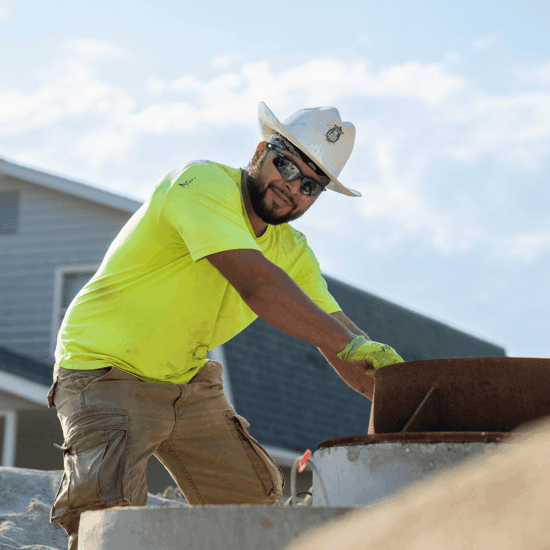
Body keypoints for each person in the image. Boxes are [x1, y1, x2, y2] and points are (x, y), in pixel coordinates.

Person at [47, 102, 404, 549]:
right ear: (260, 153)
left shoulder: (291, 249)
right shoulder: (200, 184)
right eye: (287, 166)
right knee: (108, 525)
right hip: (105, 371)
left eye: (311, 185)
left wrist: (399, 394)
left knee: (254, 512)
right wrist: (349, 344)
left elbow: (338, 337)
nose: (293, 188)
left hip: (186, 380)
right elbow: (260, 287)